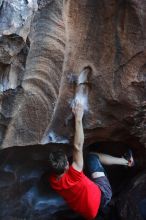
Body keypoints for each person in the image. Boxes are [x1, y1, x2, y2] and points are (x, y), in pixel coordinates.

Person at [48, 102, 134, 220]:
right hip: (103, 194)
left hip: (88, 213)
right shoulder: (74, 175)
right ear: (67, 165)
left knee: (85, 173)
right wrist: (78, 118)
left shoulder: (53, 181)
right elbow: (78, 146)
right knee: (91, 157)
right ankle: (127, 162)